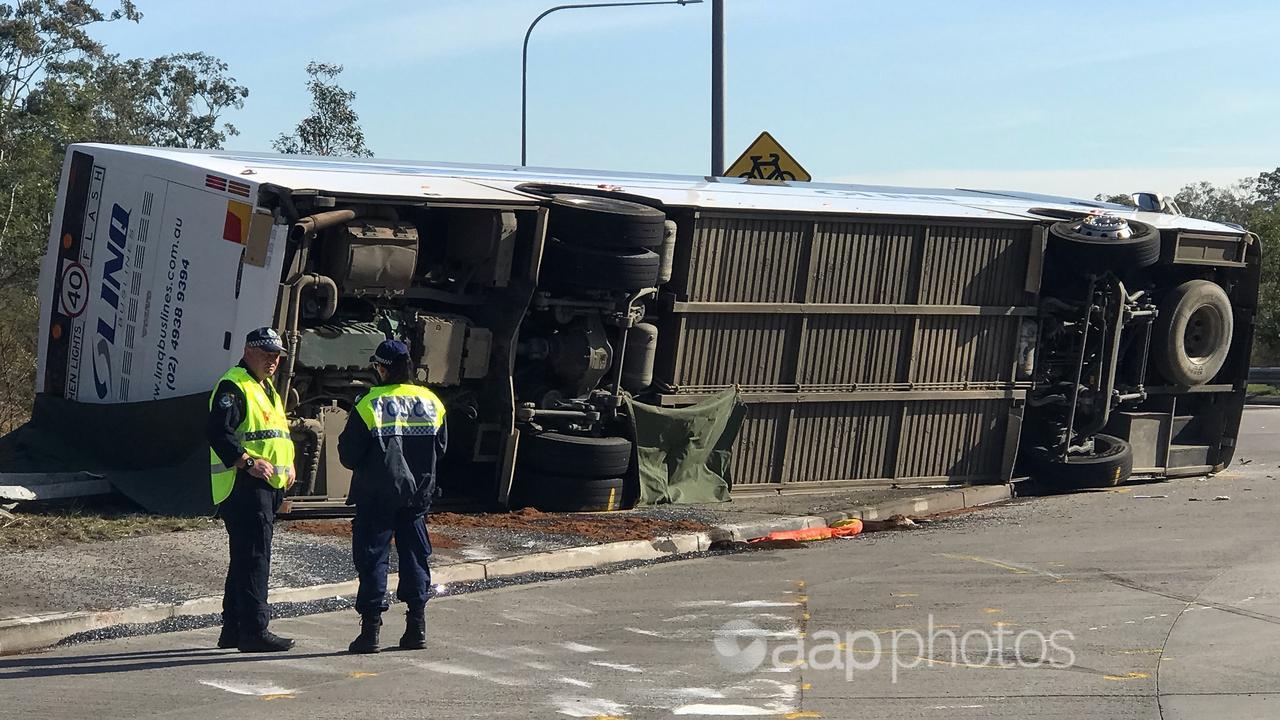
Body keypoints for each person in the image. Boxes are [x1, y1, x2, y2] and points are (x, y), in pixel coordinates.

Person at [338, 339, 447, 654]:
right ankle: (416, 628)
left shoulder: (369, 403)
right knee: (415, 558)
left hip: (376, 496)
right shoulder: (432, 402)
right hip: (416, 497)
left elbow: (348, 454)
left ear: (382, 368)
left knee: (373, 560)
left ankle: (370, 633)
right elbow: (441, 449)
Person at [206, 327, 297, 653]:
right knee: (256, 558)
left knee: (245, 559)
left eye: (277, 356)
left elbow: (274, 434)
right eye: (267, 354)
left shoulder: (264, 386)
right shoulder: (234, 385)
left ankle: (232, 630)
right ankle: (254, 630)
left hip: (266, 485)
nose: (273, 361)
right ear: (248, 351)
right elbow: (218, 432)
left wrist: (288, 465)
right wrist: (246, 462)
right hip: (245, 485)